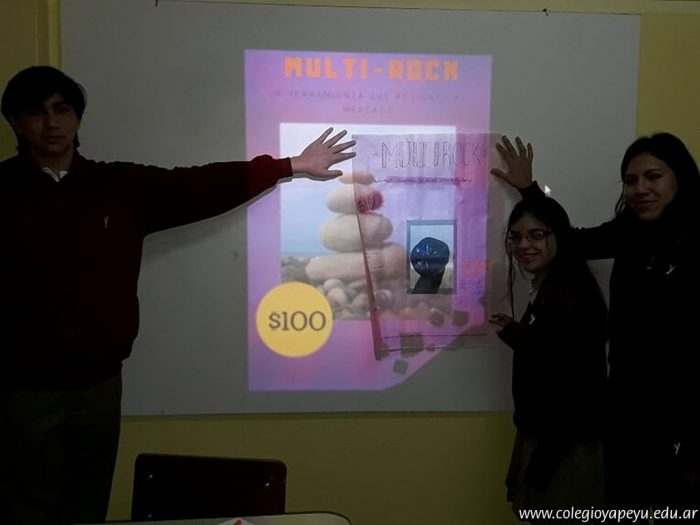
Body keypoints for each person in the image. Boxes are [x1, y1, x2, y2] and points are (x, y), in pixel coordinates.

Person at [0, 65, 355, 525]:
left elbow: (199, 186)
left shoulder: (117, 187)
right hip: (21, 390)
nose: (52, 123)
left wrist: (290, 166)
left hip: (99, 386)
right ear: (16, 123)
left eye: (62, 110)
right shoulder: (3, 192)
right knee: (25, 507)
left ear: (77, 118)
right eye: (37, 112)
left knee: (88, 506)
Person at [492, 134, 700, 520]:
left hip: (678, 421)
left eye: (653, 177)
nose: (640, 188)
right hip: (624, 413)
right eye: (631, 180)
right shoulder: (630, 231)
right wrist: (528, 190)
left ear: (680, 178)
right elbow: (570, 241)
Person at [489, 195, 608, 523]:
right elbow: (552, 353)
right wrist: (516, 333)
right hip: (549, 437)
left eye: (536, 235)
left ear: (558, 236)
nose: (523, 245)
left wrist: (546, 458)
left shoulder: (571, 294)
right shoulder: (550, 286)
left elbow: (579, 384)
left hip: (565, 444)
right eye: (516, 237)